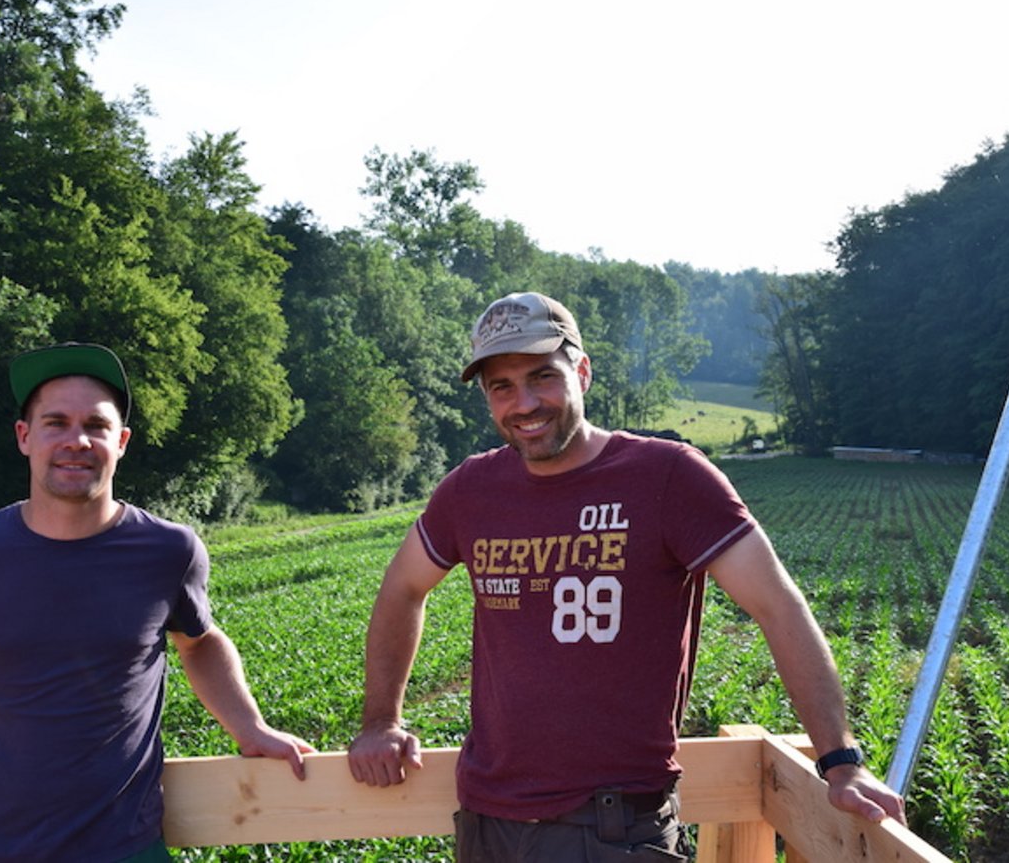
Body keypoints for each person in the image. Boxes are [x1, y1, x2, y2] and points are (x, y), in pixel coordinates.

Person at [348, 292, 905, 861]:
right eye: (502, 387)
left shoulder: (668, 477)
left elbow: (777, 607)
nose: (525, 403)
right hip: (489, 821)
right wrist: (380, 720)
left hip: (613, 826)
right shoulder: (471, 490)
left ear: (582, 372)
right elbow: (403, 589)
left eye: (543, 376)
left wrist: (841, 762)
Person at [0, 342, 314, 862]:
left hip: (123, 850)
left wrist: (250, 727)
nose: (76, 440)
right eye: (55, 422)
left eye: (96, 426)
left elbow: (200, 645)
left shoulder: (168, 550)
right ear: (25, 436)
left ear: (121, 441)